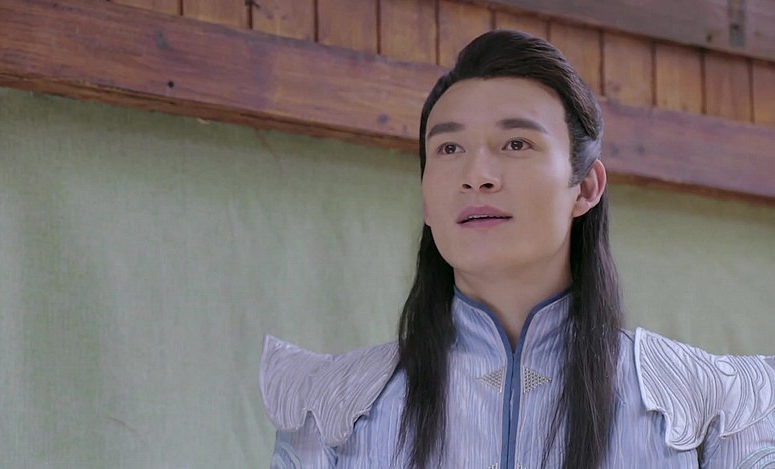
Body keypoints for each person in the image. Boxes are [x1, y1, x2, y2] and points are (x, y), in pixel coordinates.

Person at [259, 30, 775, 468]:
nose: (476, 176)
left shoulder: (715, 405)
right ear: (426, 200)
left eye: (516, 144)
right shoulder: (331, 407)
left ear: (586, 188)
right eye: (449, 148)